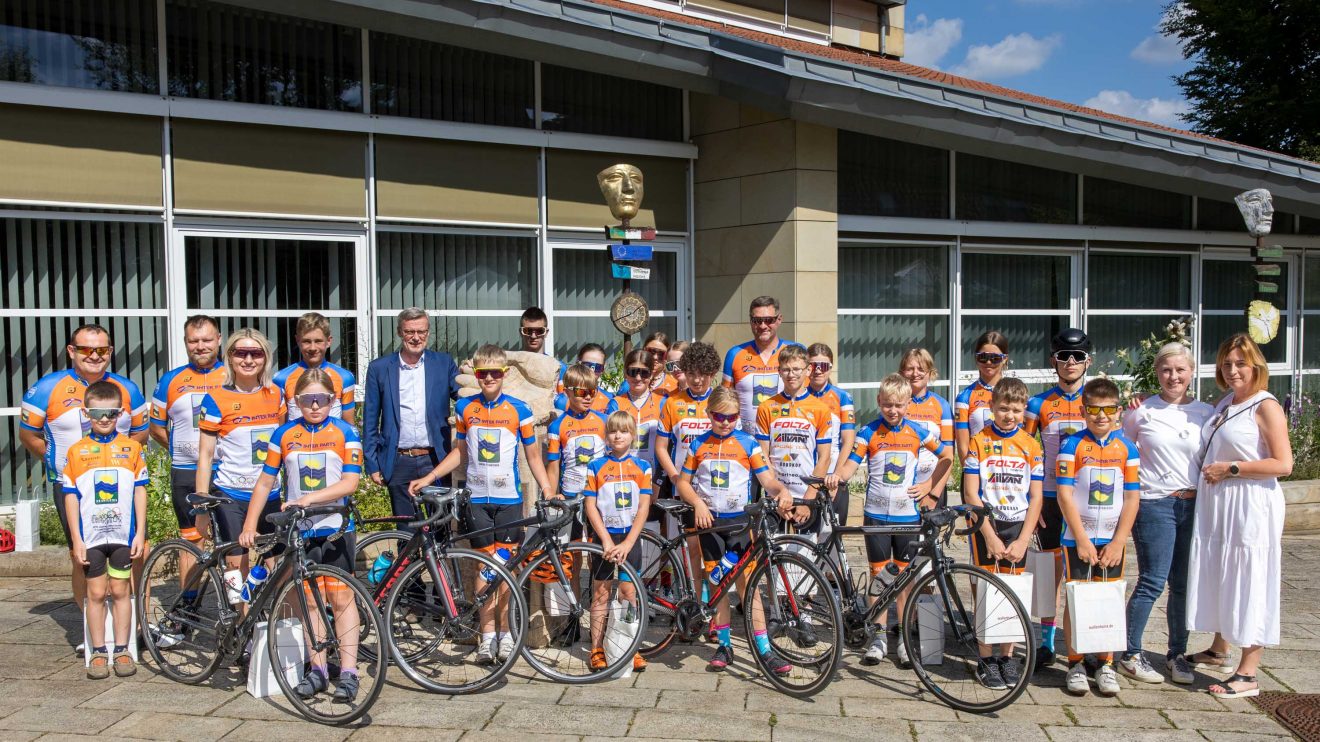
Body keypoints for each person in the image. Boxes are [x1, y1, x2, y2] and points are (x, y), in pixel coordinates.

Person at [409, 344, 553, 664]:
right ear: (477, 374)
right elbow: (460, 452)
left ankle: (505, 634)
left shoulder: (520, 410)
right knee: (483, 568)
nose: (488, 377)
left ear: (504, 374)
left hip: (509, 500)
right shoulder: (466, 408)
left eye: (494, 372)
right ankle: (486, 637)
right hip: (476, 500)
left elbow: (532, 456)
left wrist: (547, 488)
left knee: (505, 568)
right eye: (482, 372)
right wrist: (431, 476)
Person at [240, 367, 364, 703]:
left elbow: (350, 483)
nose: (314, 406)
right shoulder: (283, 434)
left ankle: (350, 673)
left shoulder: (346, 433)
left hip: (335, 528)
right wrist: (250, 525)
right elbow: (265, 482)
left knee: (341, 600)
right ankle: (318, 669)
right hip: (300, 530)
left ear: (331, 400)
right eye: (307, 400)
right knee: (309, 601)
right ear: (297, 401)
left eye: (321, 399)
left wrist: (308, 499)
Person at [20, 323, 148, 633]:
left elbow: (140, 433)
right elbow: (29, 434)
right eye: (86, 349)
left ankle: (135, 624)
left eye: (102, 350)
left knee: (133, 550)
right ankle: (94, 631)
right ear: (72, 351)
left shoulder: (127, 388)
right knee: (82, 557)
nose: (95, 355)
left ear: (110, 351)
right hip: (73, 489)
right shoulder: (48, 387)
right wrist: (60, 465)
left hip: (122, 487)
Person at [1186, 333, 1291, 700]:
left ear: (1256, 366)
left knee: (1250, 577)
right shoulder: (1228, 401)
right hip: (1221, 505)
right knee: (1222, 571)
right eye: (1226, 364)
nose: (1232, 371)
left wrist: (1232, 468)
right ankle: (1219, 647)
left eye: (1240, 364)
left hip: (1250, 504)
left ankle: (1248, 673)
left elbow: (1284, 463)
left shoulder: (1266, 405)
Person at [826, 373, 952, 668]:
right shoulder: (868, 432)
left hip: (907, 516)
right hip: (876, 515)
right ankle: (878, 637)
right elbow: (849, 468)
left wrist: (929, 487)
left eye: (898, 405)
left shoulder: (919, 431)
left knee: (905, 581)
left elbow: (947, 456)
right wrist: (836, 477)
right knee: (879, 577)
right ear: (878, 402)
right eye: (886, 405)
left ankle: (905, 640)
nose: (892, 411)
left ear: (908, 404)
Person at [676, 387, 793, 674]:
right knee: (719, 586)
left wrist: (782, 490)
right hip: (710, 525)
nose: (725, 422)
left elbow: (767, 479)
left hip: (740, 525)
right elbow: (682, 482)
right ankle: (724, 645)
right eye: (719, 417)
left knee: (747, 588)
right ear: (709, 414)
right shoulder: (698, 444)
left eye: (732, 417)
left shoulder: (747, 443)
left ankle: (764, 650)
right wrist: (697, 505)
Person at [1117, 342, 1212, 686]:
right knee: (1153, 581)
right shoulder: (1141, 412)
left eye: (1180, 369)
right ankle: (1129, 652)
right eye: (1167, 369)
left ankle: (1177, 654)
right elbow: (1123, 457)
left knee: (1183, 585)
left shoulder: (1206, 412)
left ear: (1191, 372)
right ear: (1157, 372)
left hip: (1192, 504)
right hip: (1155, 504)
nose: (1174, 376)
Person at [1055, 377, 1140, 698]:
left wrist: (1119, 541)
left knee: (1108, 598)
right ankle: (1075, 662)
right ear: (1083, 410)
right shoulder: (1071, 445)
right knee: (1076, 595)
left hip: (1112, 539)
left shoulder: (1127, 448)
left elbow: (1132, 499)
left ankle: (1105, 663)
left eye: (1108, 410)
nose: (1100, 416)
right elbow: (1064, 495)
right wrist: (1081, 538)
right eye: (1093, 409)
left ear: (1119, 411)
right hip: (1077, 538)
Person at [961, 377, 1044, 691]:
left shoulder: (1030, 445)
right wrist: (990, 537)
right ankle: (986, 658)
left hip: (1017, 525)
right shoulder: (979, 441)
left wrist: (1023, 539)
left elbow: (1036, 497)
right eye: (1003, 408)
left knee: (1013, 594)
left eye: (1016, 409)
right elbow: (971, 493)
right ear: (992, 408)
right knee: (986, 593)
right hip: (987, 526)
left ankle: (1007, 658)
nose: (1009, 415)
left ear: (1025, 410)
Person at [62, 380, 148, 679]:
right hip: (92, 537)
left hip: (124, 535)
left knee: (121, 590)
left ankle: (123, 648)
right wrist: (76, 539)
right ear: (85, 413)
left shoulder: (132, 448)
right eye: (97, 413)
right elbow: (70, 498)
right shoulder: (76, 452)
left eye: (111, 413)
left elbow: (140, 491)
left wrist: (140, 533)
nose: (103, 419)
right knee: (96, 593)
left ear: (121, 413)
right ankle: (98, 650)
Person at [195, 328, 287, 577]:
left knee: (280, 570)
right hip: (231, 496)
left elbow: (283, 449)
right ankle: (239, 617)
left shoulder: (276, 394)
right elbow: (205, 456)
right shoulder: (215, 399)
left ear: (265, 358)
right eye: (241, 353)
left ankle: (285, 616)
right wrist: (202, 507)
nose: (248, 360)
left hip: (270, 494)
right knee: (237, 569)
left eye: (255, 353)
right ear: (230, 357)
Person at [1024, 328, 1091, 670]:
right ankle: (1046, 641)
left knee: (1083, 573)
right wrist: (1030, 504)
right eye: (1063, 356)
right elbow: (1025, 451)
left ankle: (1084, 643)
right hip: (1050, 499)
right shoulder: (1038, 404)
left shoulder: (1096, 402)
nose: (1070, 362)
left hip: (1085, 501)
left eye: (1077, 357)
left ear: (1087, 361)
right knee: (1049, 572)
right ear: (1053, 360)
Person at [362, 308, 461, 523]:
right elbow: (370, 419)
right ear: (400, 332)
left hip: (435, 458)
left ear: (428, 333)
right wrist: (372, 463)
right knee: (405, 529)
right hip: (398, 460)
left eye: (421, 331)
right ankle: (408, 558)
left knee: (440, 527)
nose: (416, 337)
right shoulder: (379, 368)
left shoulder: (443, 363)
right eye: (409, 332)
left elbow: (464, 397)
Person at [582, 410, 652, 673]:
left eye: (623, 431)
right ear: (606, 436)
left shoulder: (643, 467)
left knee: (629, 593)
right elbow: (590, 506)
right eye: (613, 431)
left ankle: (628, 647)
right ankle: (597, 649)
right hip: (605, 537)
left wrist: (628, 543)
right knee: (600, 592)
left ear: (632, 435)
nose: (618, 435)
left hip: (629, 538)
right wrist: (607, 541)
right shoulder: (595, 465)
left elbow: (644, 507)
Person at [151, 315, 227, 548]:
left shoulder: (232, 376)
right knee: (192, 542)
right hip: (185, 472)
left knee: (231, 541)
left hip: (226, 470)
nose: (201, 346)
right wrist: (185, 450)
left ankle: (230, 586)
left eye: (207, 340)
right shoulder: (170, 380)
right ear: (185, 342)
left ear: (219, 339)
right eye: (194, 341)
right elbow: (156, 428)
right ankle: (191, 587)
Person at [656, 341, 719, 588]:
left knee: (712, 552)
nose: (697, 380)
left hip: (714, 485)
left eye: (703, 374)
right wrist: (674, 477)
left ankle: (714, 605)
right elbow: (661, 447)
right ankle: (693, 601)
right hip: (683, 487)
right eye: (691, 373)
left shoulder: (718, 400)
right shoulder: (672, 402)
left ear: (712, 373)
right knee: (690, 549)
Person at [755, 345, 832, 527]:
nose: (791, 374)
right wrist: (776, 492)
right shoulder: (766, 407)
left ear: (808, 370)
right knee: (776, 554)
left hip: (807, 494)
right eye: (786, 369)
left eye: (797, 369)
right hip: (777, 495)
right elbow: (762, 455)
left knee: (807, 554)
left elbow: (825, 458)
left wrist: (808, 500)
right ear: (779, 372)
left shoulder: (820, 409)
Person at [547, 364, 610, 541]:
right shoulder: (557, 425)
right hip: (570, 493)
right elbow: (553, 465)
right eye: (582, 392)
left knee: (597, 546)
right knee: (571, 547)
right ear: (567, 392)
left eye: (592, 392)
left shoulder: (604, 420)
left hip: (599, 493)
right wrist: (552, 495)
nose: (588, 397)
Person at [723, 296, 801, 433]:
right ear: (751, 322)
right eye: (757, 321)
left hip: (786, 438)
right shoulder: (735, 354)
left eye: (769, 320)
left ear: (779, 319)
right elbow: (724, 400)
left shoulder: (795, 351)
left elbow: (808, 394)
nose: (763, 326)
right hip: (746, 440)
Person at [273, 312, 357, 424]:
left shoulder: (345, 377)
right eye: (306, 341)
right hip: (297, 440)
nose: (313, 348)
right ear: (297, 341)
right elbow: (280, 428)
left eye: (318, 341)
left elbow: (349, 426)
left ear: (329, 341)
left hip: (333, 440)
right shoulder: (281, 378)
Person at [806, 343, 856, 523]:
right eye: (813, 365)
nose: (818, 370)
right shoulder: (799, 396)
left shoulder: (843, 397)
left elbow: (848, 441)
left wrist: (837, 476)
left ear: (831, 368)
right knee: (805, 538)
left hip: (834, 474)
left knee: (833, 539)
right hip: (806, 475)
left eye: (824, 366)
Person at [900, 347, 953, 508]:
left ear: (930, 373)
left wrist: (933, 494)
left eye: (921, 369)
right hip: (901, 487)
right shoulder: (895, 405)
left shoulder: (942, 405)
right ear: (902, 372)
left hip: (932, 486)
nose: (915, 373)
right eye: (910, 368)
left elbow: (949, 456)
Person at [955, 331, 1009, 461]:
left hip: (1010, 471)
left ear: (1005, 358)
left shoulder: (1014, 393)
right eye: (983, 357)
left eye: (995, 358)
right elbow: (963, 446)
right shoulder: (965, 397)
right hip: (976, 469)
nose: (989, 362)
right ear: (976, 358)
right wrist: (971, 473)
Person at [554, 343, 613, 414]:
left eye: (597, 367)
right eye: (587, 365)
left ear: (603, 369)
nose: (591, 371)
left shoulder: (609, 399)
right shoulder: (561, 401)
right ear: (578, 363)